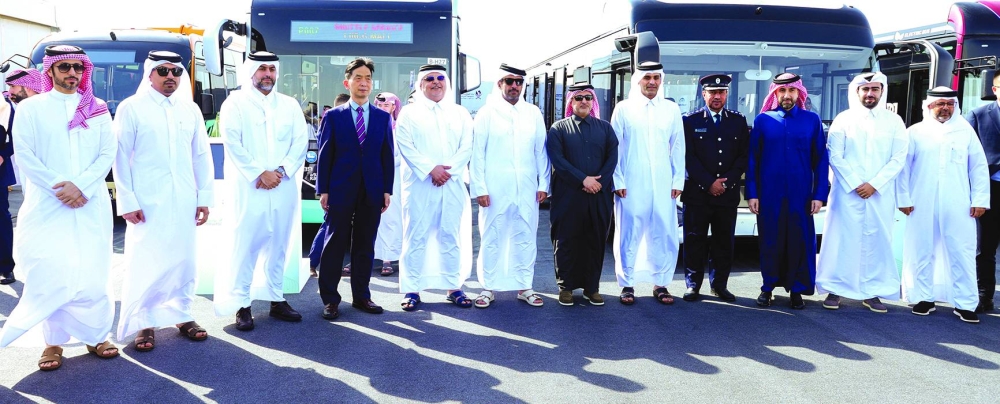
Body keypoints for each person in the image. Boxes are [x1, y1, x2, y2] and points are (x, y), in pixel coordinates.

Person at [0, 45, 119, 370]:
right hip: (48, 206)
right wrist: (61, 187)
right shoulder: (31, 109)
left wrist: (81, 185)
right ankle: (53, 344)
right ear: (49, 70)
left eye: (77, 68)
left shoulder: (96, 108)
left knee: (93, 272)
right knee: (50, 272)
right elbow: (24, 154)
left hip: (90, 204)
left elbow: (108, 152)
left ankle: (96, 336)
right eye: (64, 67)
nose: (72, 73)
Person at [112, 51, 215, 351]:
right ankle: (144, 322)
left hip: (183, 197)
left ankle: (181, 315)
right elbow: (120, 157)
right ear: (149, 74)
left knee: (183, 259)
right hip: (146, 201)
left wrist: (203, 197)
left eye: (176, 71)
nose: (171, 76)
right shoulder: (132, 108)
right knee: (147, 259)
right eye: (163, 71)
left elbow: (201, 156)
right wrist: (127, 200)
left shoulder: (190, 109)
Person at [214, 51, 309, 330]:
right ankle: (242, 305)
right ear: (251, 71)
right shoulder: (236, 103)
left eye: (271, 69)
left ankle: (275, 298)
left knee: (279, 243)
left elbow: (299, 142)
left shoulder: (289, 105)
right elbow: (232, 142)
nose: (267, 74)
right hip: (249, 187)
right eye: (262, 69)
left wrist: (280, 171)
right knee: (246, 245)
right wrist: (259, 173)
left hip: (282, 185)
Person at [816, 72, 908, 313]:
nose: (870, 94)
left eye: (875, 89)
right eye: (865, 89)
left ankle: (872, 291)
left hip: (879, 194)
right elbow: (834, 155)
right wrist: (857, 183)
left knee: (877, 240)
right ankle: (835, 289)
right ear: (856, 92)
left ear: (882, 91)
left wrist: (874, 184)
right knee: (842, 239)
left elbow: (899, 158)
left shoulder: (894, 121)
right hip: (847, 193)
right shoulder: (843, 119)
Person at [898, 87, 990, 324]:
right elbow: (903, 169)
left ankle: (965, 303)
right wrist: (903, 199)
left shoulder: (965, 131)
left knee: (962, 250)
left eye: (950, 104)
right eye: (940, 104)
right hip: (921, 199)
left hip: (959, 201)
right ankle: (923, 298)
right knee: (921, 248)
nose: (945, 108)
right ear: (929, 106)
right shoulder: (915, 132)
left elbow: (978, 167)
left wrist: (980, 199)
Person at [316, 58, 394, 320]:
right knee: (334, 244)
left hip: (372, 189)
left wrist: (387, 189)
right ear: (347, 82)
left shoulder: (383, 118)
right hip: (340, 188)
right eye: (358, 78)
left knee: (364, 245)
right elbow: (325, 154)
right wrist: (323, 189)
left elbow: (386, 155)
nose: (364, 83)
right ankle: (330, 300)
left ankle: (362, 296)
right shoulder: (333, 116)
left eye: (368, 78)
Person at [394, 64, 474, 311]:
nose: (436, 82)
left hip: (451, 183)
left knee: (450, 234)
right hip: (420, 185)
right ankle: (412, 289)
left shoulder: (459, 112)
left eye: (441, 78)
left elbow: (467, 145)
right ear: (420, 84)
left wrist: (447, 171)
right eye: (430, 78)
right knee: (415, 235)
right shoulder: (409, 113)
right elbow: (405, 145)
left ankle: (454, 287)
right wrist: (431, 169)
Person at [746, 73, 829, 309]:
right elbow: (753, 159)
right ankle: (767, 287)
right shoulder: (763, 120)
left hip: (801, 194)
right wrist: (752, 193)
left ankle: (797, 289)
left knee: (799, 241)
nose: (786, 96)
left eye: (791, 91)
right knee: (770, 240)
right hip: (769, 194)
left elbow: (820, 160)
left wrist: (819, 195)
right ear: (775, 93)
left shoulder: (811, 120)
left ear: (799, 93)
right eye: (781, 91)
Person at [470, 64, 550, 308]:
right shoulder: (487, 113)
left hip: (526, 186)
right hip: (495, 187)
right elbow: (478, 154)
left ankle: (525, 286)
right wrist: (479, 188)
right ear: (500, 84)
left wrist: (544, 183)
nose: (514, 86)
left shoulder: (533, 112)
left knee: (525, 234)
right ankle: (488, 288)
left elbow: (541, 151)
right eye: (509, 81)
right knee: (492, 235)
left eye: (518, 82)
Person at [610, 61, 685, 306]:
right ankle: (627, 284)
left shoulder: (671, 109)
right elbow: (615, 148)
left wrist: (677, 180)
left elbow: (678, 147)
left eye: (656, 78)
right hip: (631, 182)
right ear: (638, 80)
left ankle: (661, 284)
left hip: (664, 183)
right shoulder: (623, 109)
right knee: (629, 231)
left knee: (663, 231)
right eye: (647, 78)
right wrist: (617, 179)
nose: (652, 82)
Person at [547, 83, 617, 306]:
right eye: (579, 98)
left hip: (599, 195)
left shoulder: (605, 128)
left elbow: (612, 158)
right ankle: (566, 287)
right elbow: (558, 161)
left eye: (588, 97)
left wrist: (598, 183)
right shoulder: (558, 129)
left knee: (595, 240)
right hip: (568, 196)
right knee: (566, 240)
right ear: (571, 102)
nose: (584, 101)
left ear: (593, 100)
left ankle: (592, 287)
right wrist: (583, 180)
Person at [680, 74, 749, 303]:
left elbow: (742, 157)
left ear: (727, 94)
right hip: (698, 194)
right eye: (712, 92)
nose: (717, 96)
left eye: (721, 92)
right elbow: (688, 156)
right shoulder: (689, 120)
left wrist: (726, 182)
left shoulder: (737, 121)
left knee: (723, 241)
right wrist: (708, 182)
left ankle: (720, 285)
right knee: (694, 240)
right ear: (704, 94)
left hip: (726, 195)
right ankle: (693, 285)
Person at [0, 69, 45, 285]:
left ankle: (9, 267)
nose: (10, 91)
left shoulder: (42, 107)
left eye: (14, 87)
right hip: (24, 170)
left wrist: (2, 154)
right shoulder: (7, 106)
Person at [965, 74, 1000, 313]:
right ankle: (984, 295)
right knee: (984, 247)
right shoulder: (979, 115)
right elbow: (966, 156)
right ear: (995, 89)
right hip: (990, 189)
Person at [309, 92, 351, 278]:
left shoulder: (328, 122)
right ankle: (314, 263)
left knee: (329, 225)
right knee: (330, 226)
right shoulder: (334, 122)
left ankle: (313, 263)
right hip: (339, 186)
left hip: (338, 185)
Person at [373, 91, 403, 276]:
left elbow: (400, 156)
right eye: (380, 105)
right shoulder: (369, 126)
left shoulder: (399, 128)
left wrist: (383, 163)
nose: (384, 108)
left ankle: (389, 258)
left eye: (387, 105)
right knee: (373, 219)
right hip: (373, 178)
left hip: (393, 179)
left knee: (392, 217)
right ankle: (373, 256)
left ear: (394, 107)